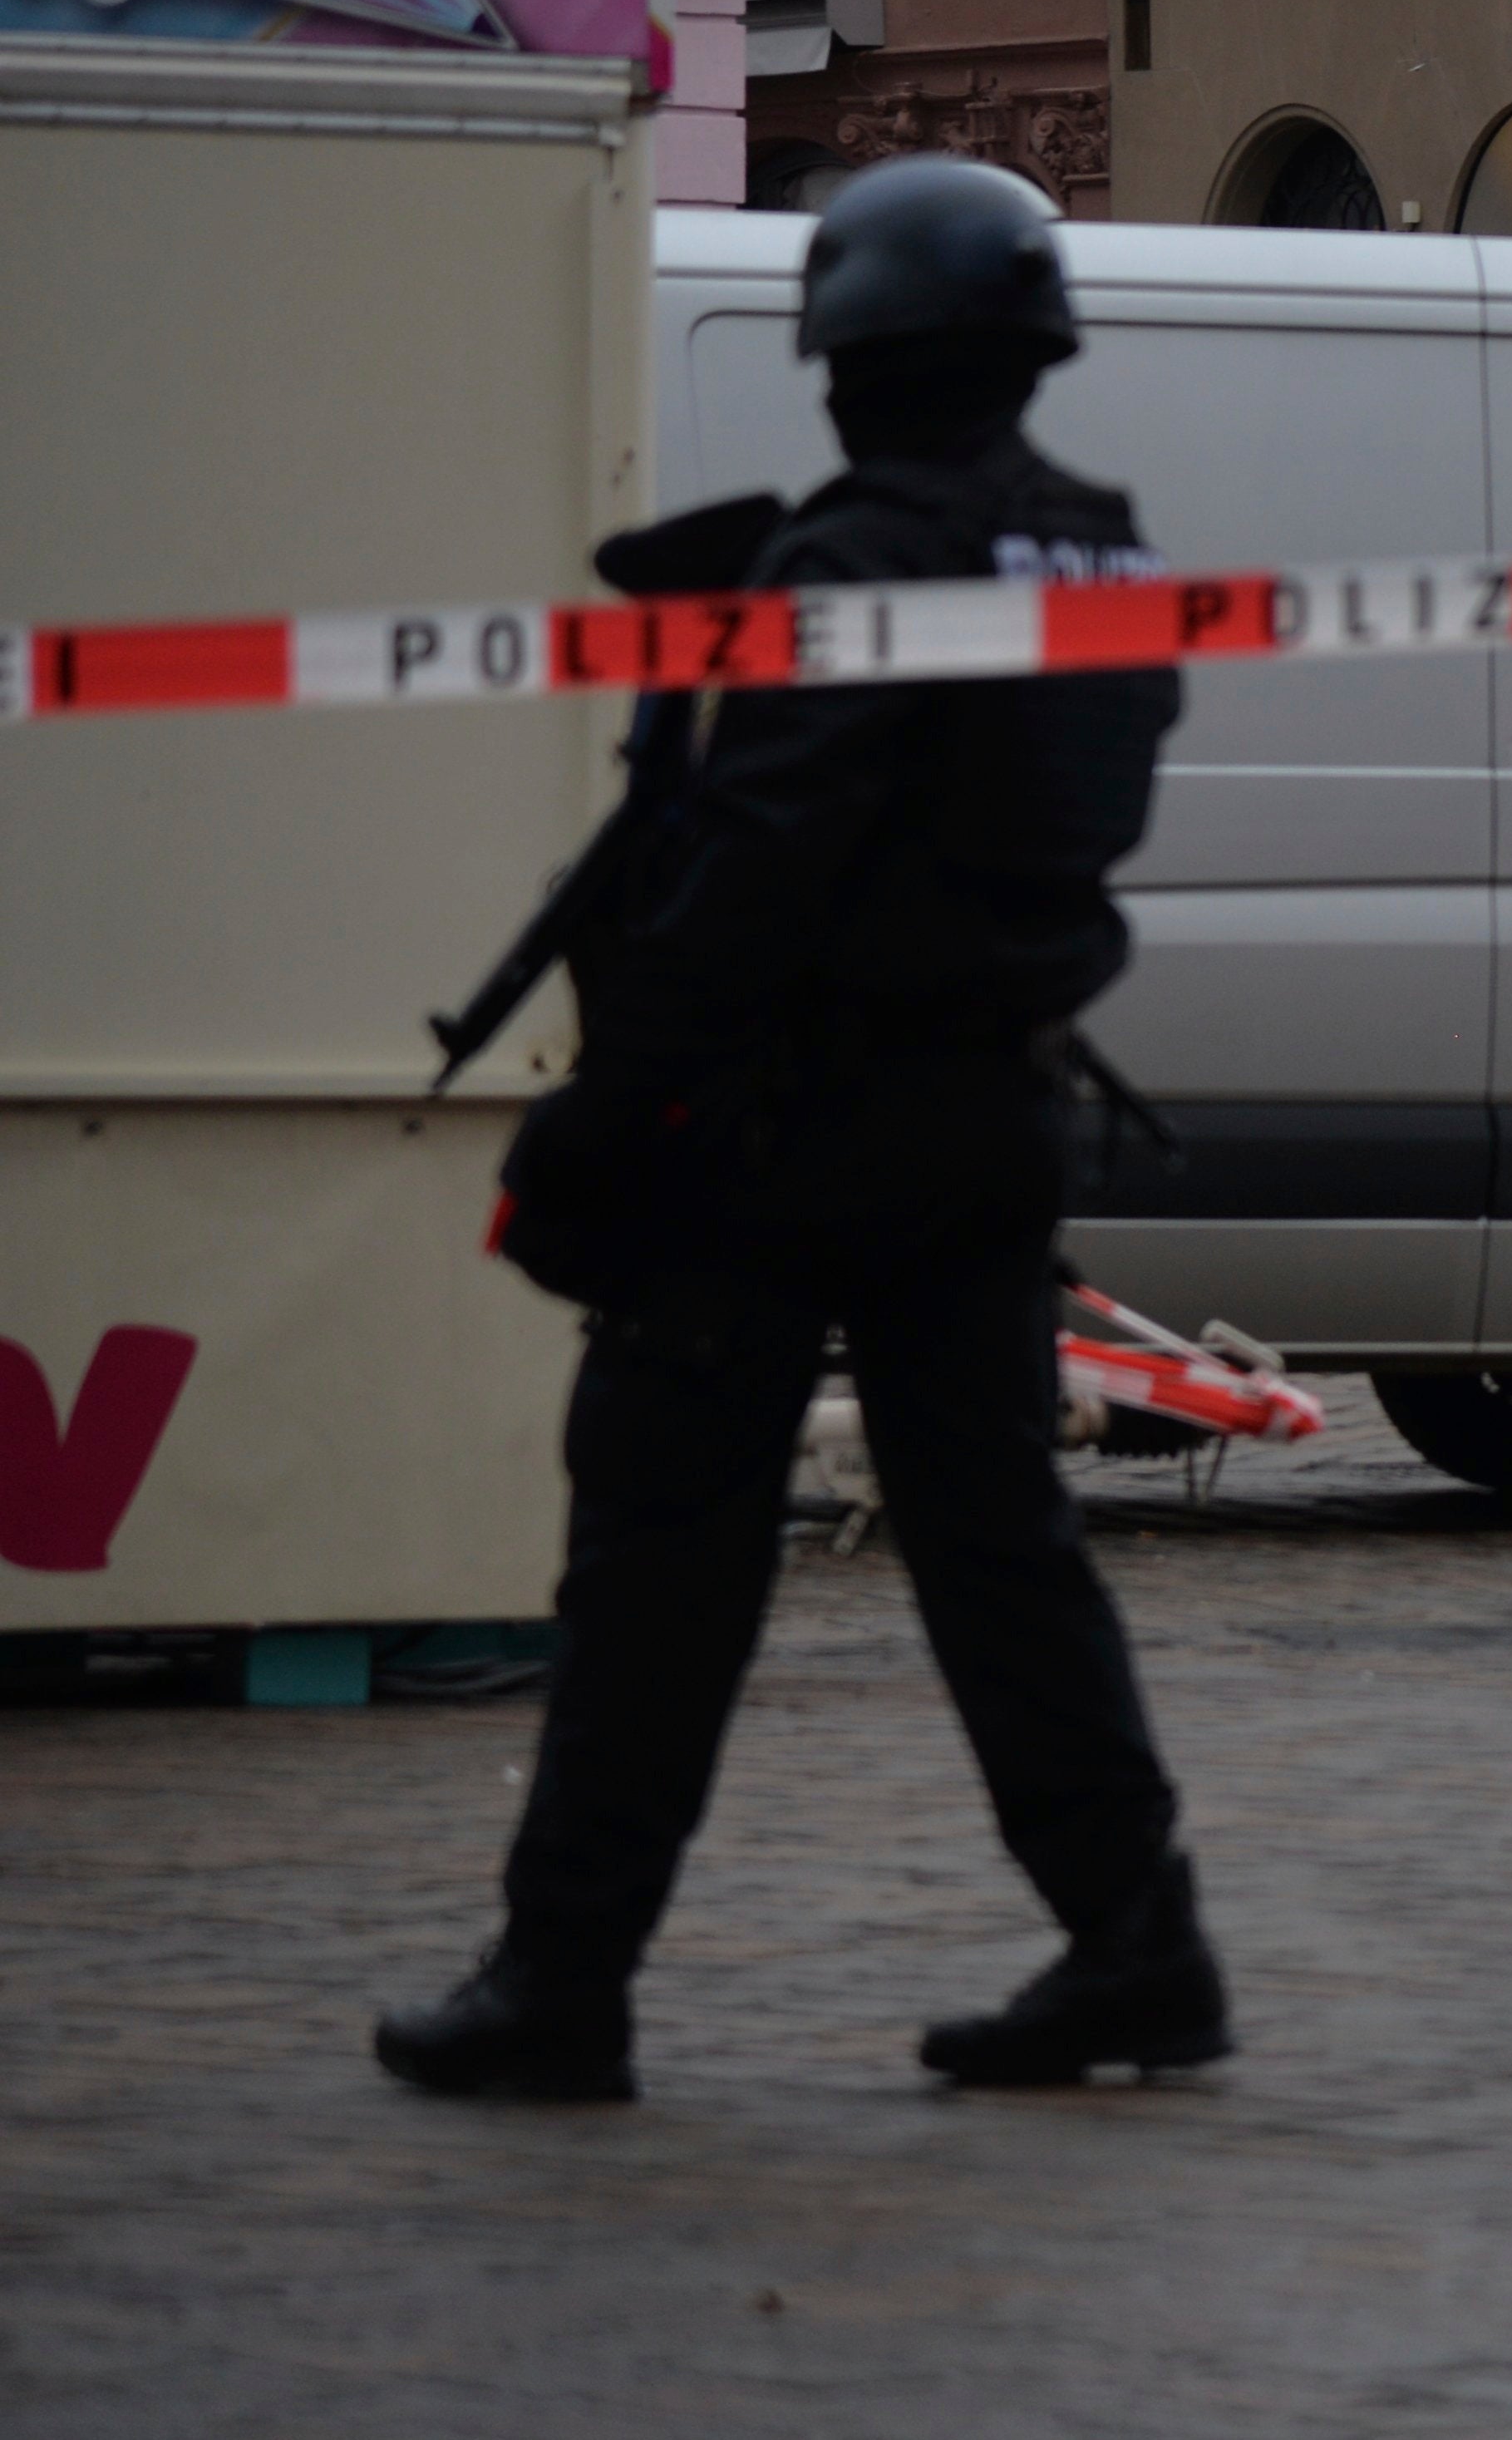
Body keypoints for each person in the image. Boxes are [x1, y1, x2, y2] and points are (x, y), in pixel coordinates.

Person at [377, 158, 1220, 2102]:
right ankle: (1137, 1939)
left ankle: (560, 1980)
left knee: (659, 1556)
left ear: (850, 352)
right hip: (992, 1112)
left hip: (784, 1133)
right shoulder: (1099, 553)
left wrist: (621, 1107)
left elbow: (754, 867)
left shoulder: (851, 568)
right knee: (1005, 1554)